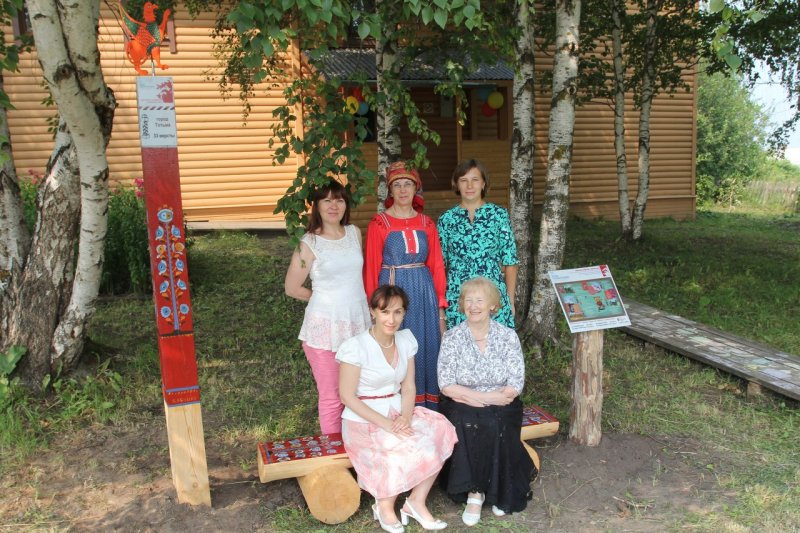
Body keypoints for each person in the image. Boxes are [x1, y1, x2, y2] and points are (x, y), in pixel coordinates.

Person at [337, 285, 457, 533]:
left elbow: (409, 387)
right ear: (373, 312)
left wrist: (405, 417)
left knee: (439, 431)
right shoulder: (355, 346)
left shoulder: (405, 341)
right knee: (397, 448)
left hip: (397, 409)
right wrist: (387, 424)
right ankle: (384, 505)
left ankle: (416, 502)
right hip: (363, 418)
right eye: (385, 312)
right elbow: (347, 396)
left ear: (404, 313)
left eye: (397, 312)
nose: (391, 319)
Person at [437, 277, 537, 526]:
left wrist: (497, 398)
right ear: (462, 305)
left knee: (495, 421)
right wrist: (484, 398)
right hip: (462, 402)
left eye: (479, 300)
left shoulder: (507, 336)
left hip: (502, 402)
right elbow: (446, 384)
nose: (473, 306)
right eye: (468, 300)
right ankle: (474, 492)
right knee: (467, 420)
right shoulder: (452, 337)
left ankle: (500, 490)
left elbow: (515, 382)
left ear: (493, 305)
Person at [284, 179, 371, 435]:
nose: (334, 206)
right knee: (333, 396)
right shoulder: (308, 242)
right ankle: (334, 452)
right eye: (327, 200)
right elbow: (292, 288)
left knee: (360, 391)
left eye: (339, 200)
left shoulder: (354, 233)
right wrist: (325, 297)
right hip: (324, 330)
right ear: (317, 206)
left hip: (358, 325)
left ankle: (358, 444)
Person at [363, 161, 447, 410]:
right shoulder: (379, 224)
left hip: (423, 293)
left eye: (407, 184)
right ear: (390, 190)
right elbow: (371, 267)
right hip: (393, 292)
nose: (402, 190)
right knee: (396, 346)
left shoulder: (427, 223)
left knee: (424, 344)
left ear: (416, 188)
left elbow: (436, 265)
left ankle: (427, 408)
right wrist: (374, 306)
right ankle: (398, 408)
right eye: (397, 185)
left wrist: (440, 306)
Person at [437, 159, 518, 329]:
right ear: (456, 184)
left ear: (483, 184)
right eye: (463, 180)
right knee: (461, 343)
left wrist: (510, 300)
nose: (469, 186)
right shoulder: (446, 219)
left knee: (496, 343)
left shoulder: (498, 215)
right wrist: (441, 304)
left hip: (493, 297)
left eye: (475, 180)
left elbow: (510, 260)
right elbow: (440, 265)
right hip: (459, 299)